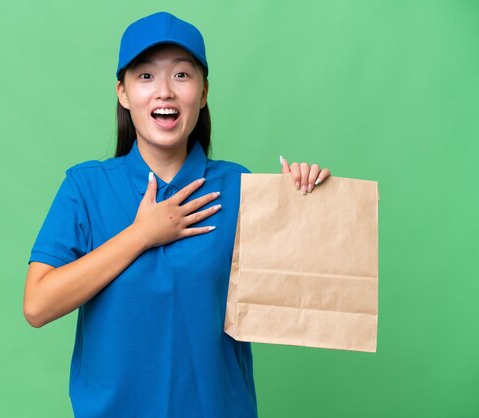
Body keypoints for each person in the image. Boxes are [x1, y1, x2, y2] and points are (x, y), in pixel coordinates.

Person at [23, 11, 331, 418]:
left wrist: (302, 203)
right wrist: (141, 234)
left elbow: (301, 296)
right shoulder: (86, 187)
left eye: (182, 75)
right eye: (146, 77)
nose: (164, 91)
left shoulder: (239, 187)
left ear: (203, 93)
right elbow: (37, 305)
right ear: (123, 93)